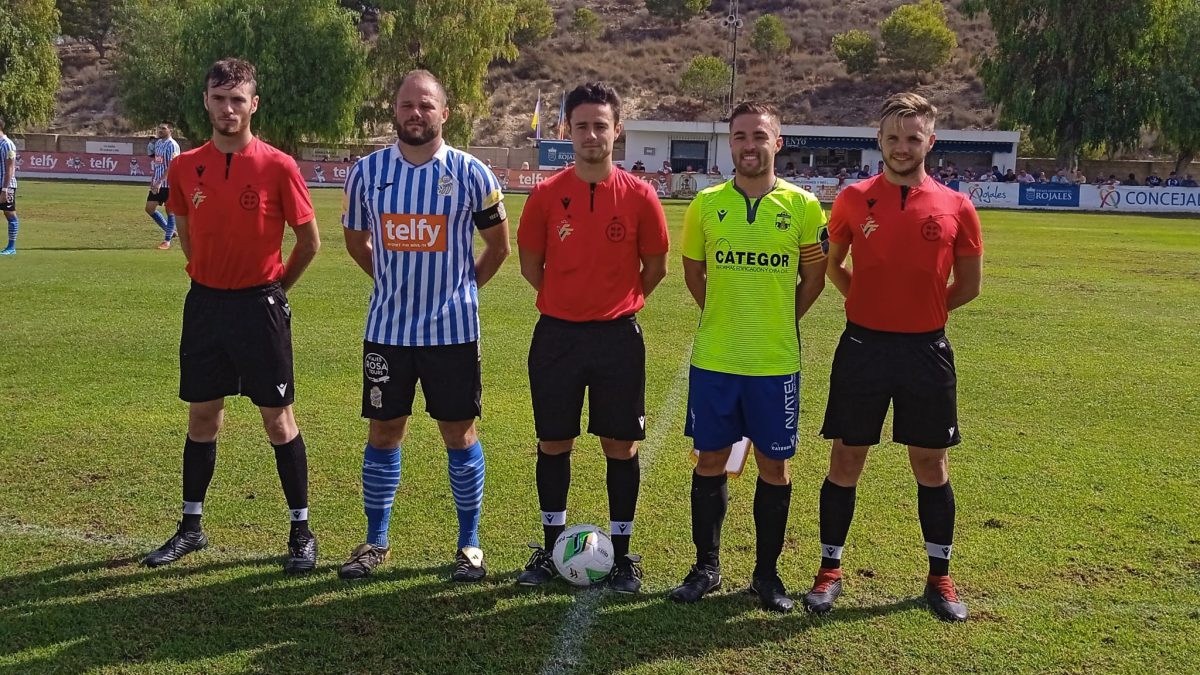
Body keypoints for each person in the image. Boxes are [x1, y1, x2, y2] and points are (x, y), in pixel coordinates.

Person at [804, 92, 982, 623]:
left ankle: (940, 576)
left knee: (931, 464)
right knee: (846, 459)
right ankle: (829, 570)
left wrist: (923, 313)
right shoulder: (853, 199)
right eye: (892, 137)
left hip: (926, 351)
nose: (902, 147)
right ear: (878, 141)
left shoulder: (957, 206)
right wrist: (865, 301)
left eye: (913, 137)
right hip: (862, 347)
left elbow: (968, 286)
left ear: (930, 141)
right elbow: (833, 266)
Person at [145, 58, 322, 573]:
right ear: (207, 101)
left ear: (253, 104)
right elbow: (188, 231)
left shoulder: (277, 165)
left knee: (277, 419)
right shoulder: (184, 166)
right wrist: (206, 273)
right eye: (219, 98)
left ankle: (301, 532)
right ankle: (191, 527)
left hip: (259, 305)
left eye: (238, 99)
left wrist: (275, 289)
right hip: (205, 305)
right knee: (203, 416)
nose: (228, 109)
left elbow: (309, 242)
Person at [340, 70, 510, 582]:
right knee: (384, 431)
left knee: (459, 434)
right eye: (408, 105)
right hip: (388, 332)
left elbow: (499, 247)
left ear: (445, 112)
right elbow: (355, 241)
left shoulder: (473, 174)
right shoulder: (366, 173)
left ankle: (469, 545)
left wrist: (461, 290)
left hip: (453, 334)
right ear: (395, 110)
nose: (417, 113)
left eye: (427, 105)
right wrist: (393, 283)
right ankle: (375, 541)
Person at [670, 101, 828, 613]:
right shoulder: (706, 204)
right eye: (739, 136)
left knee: (774, 468)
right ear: (729, 144)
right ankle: (705, 567)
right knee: (710, 461)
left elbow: (814, 280)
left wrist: (781, 319)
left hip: (775, 362)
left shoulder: (804, 207)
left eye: (759, 136)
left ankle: (766, 576)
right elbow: (695, 275)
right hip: (716, 358)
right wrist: (724, 314)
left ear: (777, 143)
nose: (749, 145)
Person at [514, 83, 669, 592]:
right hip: (557, 336)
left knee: (619, 445)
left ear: (617, 130)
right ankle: (551, 544)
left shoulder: (641, 195)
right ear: (567, 131)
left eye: (601, 125)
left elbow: (655, 267)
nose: (591, 135)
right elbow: (532, 266)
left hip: (617, 338)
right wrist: (567, 302)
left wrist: (612, 303)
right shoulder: (543, 195)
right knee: (554, 442)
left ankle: (622, 555)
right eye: (581, 125)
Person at [146, 121, 180, 250]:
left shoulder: (172, 145)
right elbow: (158, 163)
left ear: (170, 130)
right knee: (149, 208)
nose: (160, 130)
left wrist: (160, 181)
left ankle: (167, 241)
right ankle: (170, 231)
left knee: (170, 210)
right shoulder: (158, 143)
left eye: (163, 128)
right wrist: (154, 179)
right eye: (159, 128)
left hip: (169, 183)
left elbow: (172, 166)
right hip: (157, 181)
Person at [0, 118, 19, 255]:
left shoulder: (8, 145)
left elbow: (10, 168)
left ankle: (11, 247)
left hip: (6, 186)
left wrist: (5, 189)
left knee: (10, 214)